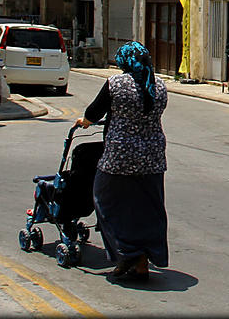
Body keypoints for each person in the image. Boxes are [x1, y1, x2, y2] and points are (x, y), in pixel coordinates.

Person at [76, 41, 168, 281]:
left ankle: (127, 252)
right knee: (148, 209)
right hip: (153, 158)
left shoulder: (115, 84)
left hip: (120, 157)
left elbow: (94, 112)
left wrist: (84, 121)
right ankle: (143, 260)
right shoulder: (160, 85)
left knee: (104, 200)